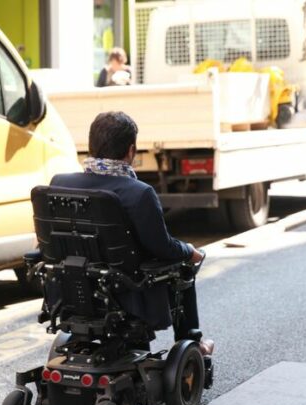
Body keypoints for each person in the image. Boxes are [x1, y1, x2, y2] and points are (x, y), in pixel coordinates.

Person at [50, 111, 213, 355]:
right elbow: (162, 247)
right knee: (184, 266)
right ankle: (192, 340)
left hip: (74, 290)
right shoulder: (139, 192)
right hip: (128, 295)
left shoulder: (60, 183)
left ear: (91, 146)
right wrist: (189, 251)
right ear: (131, 150)